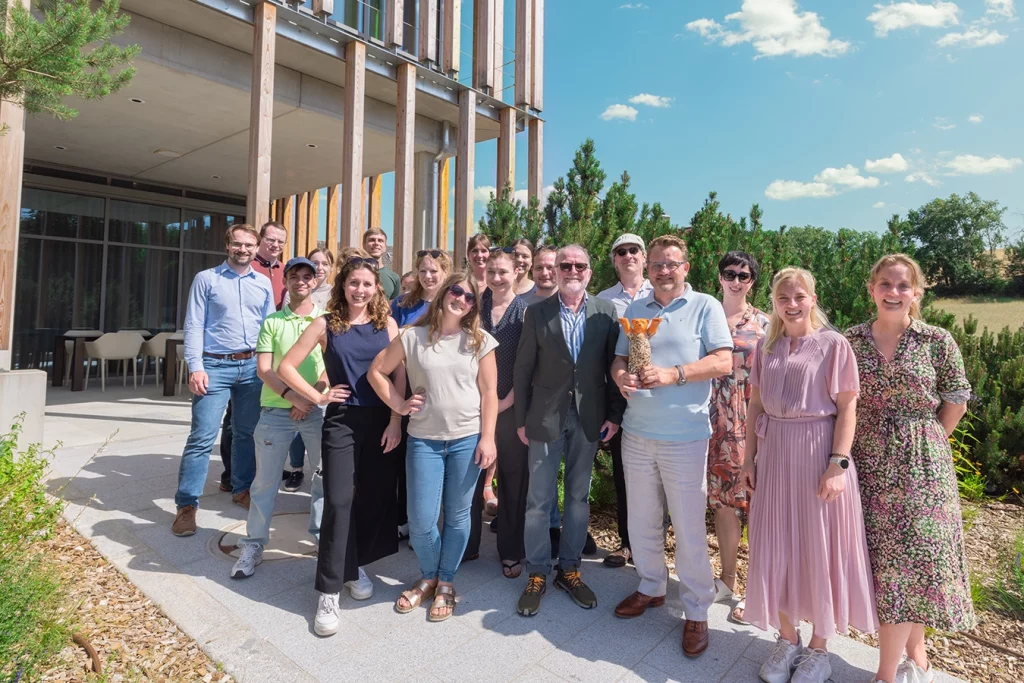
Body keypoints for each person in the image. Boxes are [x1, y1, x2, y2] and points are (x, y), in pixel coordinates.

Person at [741, 267, 877, 683]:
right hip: (775, 454)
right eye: (784, 298)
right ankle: (787, 638)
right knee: (775, 545)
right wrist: (749, 460)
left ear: (813, 298)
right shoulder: (768, 347)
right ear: (774, 303)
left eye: (800, 296)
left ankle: (820, 648)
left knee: (818, 549)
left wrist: (838, 463)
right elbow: (755, 407)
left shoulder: (834, 345)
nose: (793, 304)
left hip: (818, 453)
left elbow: (848, 407)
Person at [846, 255, 972, 683]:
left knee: (914, 562)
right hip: (866, 465)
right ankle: (914, 655)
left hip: (923, 467)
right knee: (888, 565)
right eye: (886, 284)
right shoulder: (851, 341)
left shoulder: (937, 340)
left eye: (903, 286)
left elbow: (956, 397)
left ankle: (887, 673)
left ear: (917, 292)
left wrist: (928, 439)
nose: (894, 293)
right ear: (872, 289)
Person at [609, 235, 733, 659]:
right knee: (642, 521)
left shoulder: (705, 306)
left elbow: (722, 361)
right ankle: (651, 586)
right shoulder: (637, 308)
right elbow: (620, 358)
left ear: (686, 267)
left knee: (688, 528)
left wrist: (674, 374)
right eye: (657, 263)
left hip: (684, 437)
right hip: (637, 431)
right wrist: (620, 376)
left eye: (671, 264)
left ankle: (697, 609)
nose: (663, 270)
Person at [277, 255, 405, 635]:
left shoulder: (389, 325)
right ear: (342, 286)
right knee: (337, 501)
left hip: (382, 423)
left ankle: (352, 566)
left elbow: (400, 377)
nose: (360, 290)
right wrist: (315, 397)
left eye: (367, 283)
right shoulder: (325, 324)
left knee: (372, 499)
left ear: (376, 287)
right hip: (342, 422)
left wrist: (397, 420)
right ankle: (329, 591)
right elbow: (286, 366)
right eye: (354, 283)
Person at [368, 273, 498, 622]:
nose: (461, 300)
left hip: (466, 438)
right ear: (443, 294)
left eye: (470, 298)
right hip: (424, 439)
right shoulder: (413, 336)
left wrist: (488, 438)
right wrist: (398, 405)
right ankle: (429, 574)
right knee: (421, 518)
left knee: (457, 516)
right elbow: (377, 371)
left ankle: (445, 582)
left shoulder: (480, 340)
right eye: (456, 292)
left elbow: (489, 393)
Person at [514, 244, 625, 617]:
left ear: (590, 272)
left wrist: (614, 414)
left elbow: (614, 368)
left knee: (578, 499)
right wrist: (521, 420)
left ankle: (570, 569)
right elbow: (523, 369)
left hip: (589, 417)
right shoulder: (537, 312)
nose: (572, 270)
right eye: (565, 265)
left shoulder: (606, 312)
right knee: (539, 501)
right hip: (545, 417)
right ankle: (537, 572)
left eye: (579, 265)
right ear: (556, 271)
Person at [229, 257, 333, 580]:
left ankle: (322, 539)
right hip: (276, 410)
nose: (301, 281)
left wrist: (309, 399)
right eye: (294, 276)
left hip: (316, 411)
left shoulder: (327, 321)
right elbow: (265, 368)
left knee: (323, 480)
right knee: (264, 483)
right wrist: (294, 398)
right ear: (285, 282)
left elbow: (332, 368)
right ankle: (254, 544)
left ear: (315, 282)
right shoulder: (272, 322)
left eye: (307, 276)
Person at [172, 224, 275, 537]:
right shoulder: (207, 279)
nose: (243, 250)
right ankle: (187, 505)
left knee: (246, 433)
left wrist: (270, 368)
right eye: (237, 244)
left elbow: (270, 328)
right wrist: (196, 366)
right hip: (215, 366)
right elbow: (193, 325)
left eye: (249, 245)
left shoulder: (263, 284)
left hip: (252, 367)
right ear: (227, 245)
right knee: (202, 437)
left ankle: (242, 489)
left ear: (257, 249)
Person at [707, 251, 769, 622]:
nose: (736, 280)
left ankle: (757, 590)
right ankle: (727, 580)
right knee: (723, 505)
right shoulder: (705, 315)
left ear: (752, 281)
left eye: (744, 275)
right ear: (719, 276)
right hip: (711, 424)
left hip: (752, 423)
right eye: (730, 273)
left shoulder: (765, 323)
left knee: (758, 509)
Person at [462, 249, 528, 576]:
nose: (497, 278)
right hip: (473, 405)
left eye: (503, 271)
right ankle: (467, 544)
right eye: (492, 271)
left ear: (517, 271)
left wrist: (507, 401)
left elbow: (529, 365)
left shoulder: (525, 312)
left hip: (513, 406)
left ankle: (511, 549)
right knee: (470, 476)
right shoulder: (473, 308)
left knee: (513, 479)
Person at [596, 233, 654, 569]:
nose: (628, 255)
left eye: (634, 250)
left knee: (661, 480)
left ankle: (655, 545)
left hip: (661, 397)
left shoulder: (662, 292)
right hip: (620, 399)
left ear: (644, 257)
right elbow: (604, 357)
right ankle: (628, 543)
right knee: (624, 475)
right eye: (621, 251)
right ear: (614, 260)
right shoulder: (603, 301)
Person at [281, 247, 335, 491]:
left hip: (319, 387)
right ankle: (295, 468)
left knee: (320, 450)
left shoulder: (335, 299)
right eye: (316, 262)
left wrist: (312, 398)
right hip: (291, 383)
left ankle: (321, 515)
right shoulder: (288, 300)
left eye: (324, 263)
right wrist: (295, 396)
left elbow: (330, 361)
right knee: (295, 434)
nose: (320, 266)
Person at [391, 249, 452, 327]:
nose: (427, 276)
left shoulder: (453, 305)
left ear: (445, 272)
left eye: (433, 271)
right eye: (423, 271)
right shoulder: (401, 303)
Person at [252, 221, 288, 309]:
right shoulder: (247, 267)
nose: (276, 245)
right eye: (271, 240)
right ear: (259, 239)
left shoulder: (287, 271)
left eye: (280, 242)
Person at [363, 227, 401, 300]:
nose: (376, 243)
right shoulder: (353, 274)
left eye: (380, 241)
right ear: (364, 245)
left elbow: (394, 308)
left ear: (385, 246)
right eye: (372, 240)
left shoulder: (394, 278)